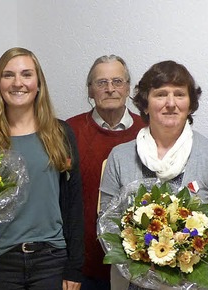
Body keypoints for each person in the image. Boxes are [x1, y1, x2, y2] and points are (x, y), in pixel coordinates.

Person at [100, 60, 208, 290]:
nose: (171, 103)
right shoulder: (120, 157)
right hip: (133, 284)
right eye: (161, 94)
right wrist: (143, 263)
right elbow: (107, 227)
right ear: (145, 104)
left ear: (191, 104)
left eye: (180, 94)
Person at [0, 47, 83, 290]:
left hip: (51, 260)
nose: (18, 83)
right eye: (8, 75)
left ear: (38, 83)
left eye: (26, 74)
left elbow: (74, 204)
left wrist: (75, 267)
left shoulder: (60, 134)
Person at [66, 55, 145, 290]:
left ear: (129, 87)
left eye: (117, 81)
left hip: (138, 264)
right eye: (101, 83)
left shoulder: (147, 132)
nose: (110, 89)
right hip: (83, 264)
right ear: (90, 90)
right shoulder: (69, 131)